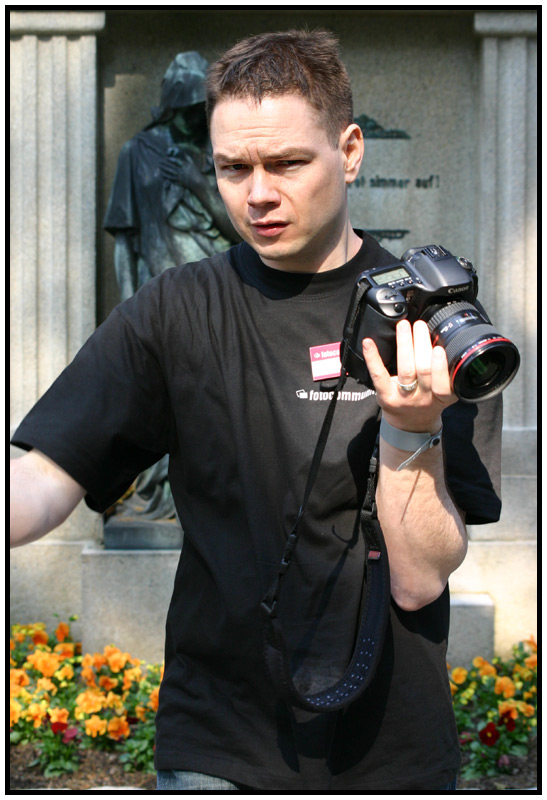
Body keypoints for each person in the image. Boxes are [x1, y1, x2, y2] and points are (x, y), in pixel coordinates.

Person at [10, 29, 502, 791]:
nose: (257, 193)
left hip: (391, 755)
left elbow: (419, 581)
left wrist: (410, 432)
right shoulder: (174, 307)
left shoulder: (435, 322)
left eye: (286, 164)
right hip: (215, 746)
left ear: (349, 150)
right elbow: (43, 480)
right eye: (232, 168)